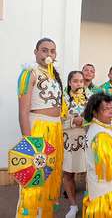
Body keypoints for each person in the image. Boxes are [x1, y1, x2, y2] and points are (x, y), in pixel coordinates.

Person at [17, 38, 63, 217]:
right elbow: (22, 112)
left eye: (52, 51)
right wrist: (28, 143)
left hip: (56, 129)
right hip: (39, 128)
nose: (49, 54)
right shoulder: (29, 73)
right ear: (36, 52)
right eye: (44, 50)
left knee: (50, 177)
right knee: (34, 178)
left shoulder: (53, 74)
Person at [61, 71, 91, 218]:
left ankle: (89, 203)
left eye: (81, 81)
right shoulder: (63, 99)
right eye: (75, 81)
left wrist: (84, 120)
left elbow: (97, 116)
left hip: (87, 140)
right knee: (68, 173)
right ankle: (73, 206)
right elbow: (57, 121)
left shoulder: (90, 98)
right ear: (69, 83)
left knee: (89, 173)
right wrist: (73, 121)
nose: (78, 84)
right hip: (69, 140)